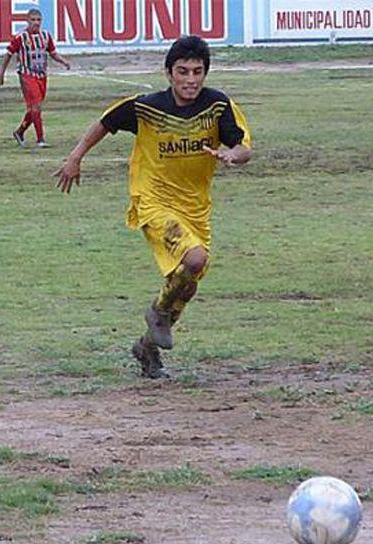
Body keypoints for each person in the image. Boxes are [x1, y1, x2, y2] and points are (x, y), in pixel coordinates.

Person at [54, 36, 253, 379]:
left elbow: (243, 147)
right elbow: (105, 122)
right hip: (153, 200)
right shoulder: (147, 107)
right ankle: (157, 313)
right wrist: (75, 157)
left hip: (195, 208)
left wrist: (231, 155)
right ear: (168, 73)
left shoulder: (218, 106)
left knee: (187, 282)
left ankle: (147, 345)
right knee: (194, 259)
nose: (190, 80)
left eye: (197, 72)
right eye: (182, 72)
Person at [0, 8, 70, 148]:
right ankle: (40, 139)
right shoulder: (21, 37)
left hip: (41, 75)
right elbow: (8, 54)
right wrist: (1, 74)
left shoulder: (46, 36)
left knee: (33, 109)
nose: (36, 23)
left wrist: (63, 61)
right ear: (27, 21)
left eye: (38, 20)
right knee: (36, 106)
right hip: (26, 74)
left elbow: (53, 53)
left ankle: (19, 131)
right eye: (33, 20)